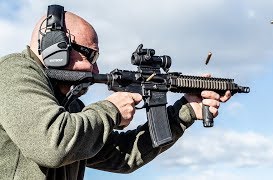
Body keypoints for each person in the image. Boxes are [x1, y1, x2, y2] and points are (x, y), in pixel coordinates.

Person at [0, 5, 231, 180]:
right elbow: (52, 145)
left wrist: (185, 110)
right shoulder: (14, 71)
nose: (96, 69)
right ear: (56, 48)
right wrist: (110, 110)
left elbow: (122, 156)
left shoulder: (68, 105)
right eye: (91, 56)